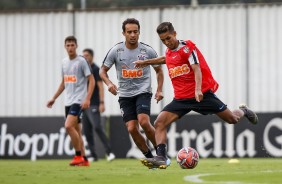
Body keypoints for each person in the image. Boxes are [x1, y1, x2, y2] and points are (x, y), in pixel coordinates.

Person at [134, 22, 259, 169]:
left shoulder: (187, 48)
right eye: (163, 40)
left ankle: (243, 110)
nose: (167, 42)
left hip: (202, 95)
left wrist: (198, 89)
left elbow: (196, 68)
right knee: (159, 123)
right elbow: (165, 59)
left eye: (168, 38)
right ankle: (161, 157)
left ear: (175, 34)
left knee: (232, 119)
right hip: (181, 99)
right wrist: (146, 62)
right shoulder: (169, 52)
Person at [99, 18, 164, 159]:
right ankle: (149, 157)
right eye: (129, 32)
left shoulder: (147, 50)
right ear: (124, 33)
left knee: (144, 122)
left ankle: (161, 154)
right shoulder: (116, 50)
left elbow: (159, 71)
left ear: (139, 32)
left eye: (135, 32)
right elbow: (102, 71)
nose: (133, 35)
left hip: (143, 91)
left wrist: (159, 90)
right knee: (132, 128)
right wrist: (109, 84)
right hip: (125, 95)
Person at [47, 36, 95, 166]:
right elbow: (64, 83)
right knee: (77, 131)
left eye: (72, 45)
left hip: (79, 100)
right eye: (68, 45)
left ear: (76, 46)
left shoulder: (81, 61)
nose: (70, 47)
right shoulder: (64, 62)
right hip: (68, 101)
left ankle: (78, 156)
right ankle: (84, 160)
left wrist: (87, 98)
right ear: (65, 47)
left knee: (68, 126)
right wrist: (53, 98)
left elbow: (92, 80)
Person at [82, 48, 115, 162]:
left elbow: (100, 87)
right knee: (86, 130)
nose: (85, 57)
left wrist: (102, 102)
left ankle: (109, 152)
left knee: (97, 127)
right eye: (83, 55)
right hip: (84, 105)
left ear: (92, 56)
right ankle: (93, 154)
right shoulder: (83, 69)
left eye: (87, 55)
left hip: (94, 103)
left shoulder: (95, 69)